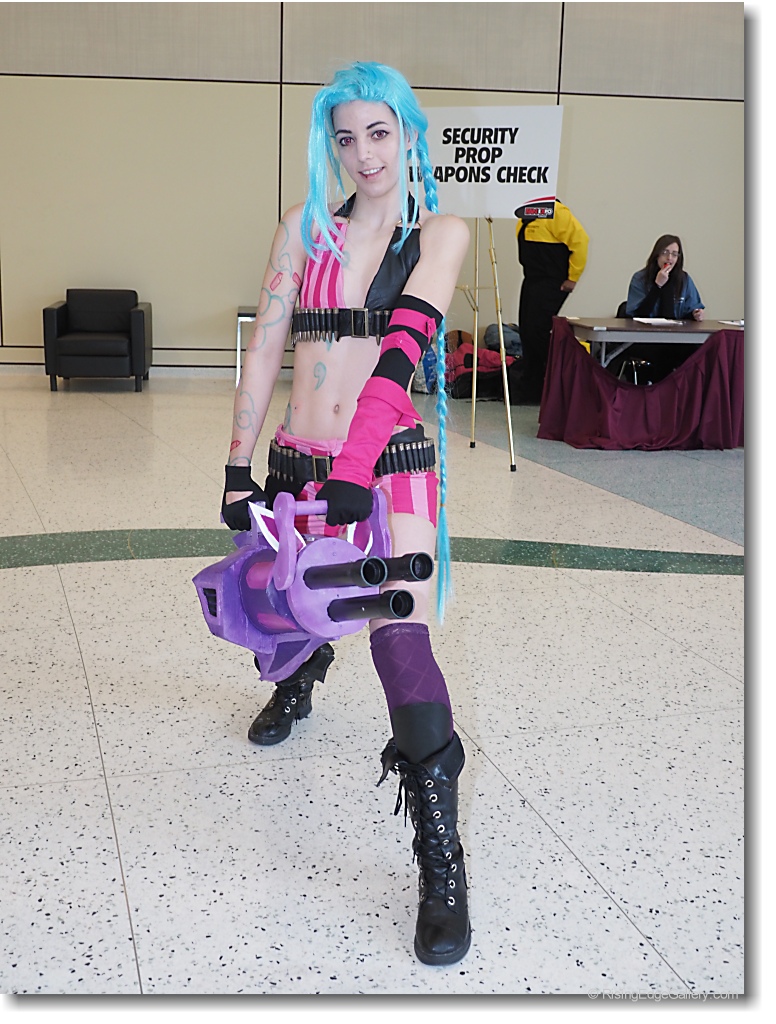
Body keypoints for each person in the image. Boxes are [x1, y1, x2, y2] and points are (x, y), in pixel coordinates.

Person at [220, 62, 471, 966]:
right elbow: (265, 349)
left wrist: (357, 469)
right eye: (345, 137)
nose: (363, 154)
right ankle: (300, 673)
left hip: (388, 465)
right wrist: (237, 464)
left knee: (400, 640)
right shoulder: (303, 229)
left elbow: (403, 351)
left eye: (379, 133)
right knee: (287, 606)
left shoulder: (439, 233)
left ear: (408, 133)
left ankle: (442, 864)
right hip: (300, 459)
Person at [515, 199, 589, 403]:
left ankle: (558, 385)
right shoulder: (525, 213)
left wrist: (573, 278)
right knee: (527, 332)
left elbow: (581, 242)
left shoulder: (557, 212)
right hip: (532, 280)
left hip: (552, 282)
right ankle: (532, 388)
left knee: (538, 332)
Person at [624, 234, 705, 320]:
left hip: (675, 328)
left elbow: (690, 310)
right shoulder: (640, 278)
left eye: (674, 254)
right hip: (646, 328)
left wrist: (695, 314)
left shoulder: (684, 279)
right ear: (657, 255)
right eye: (665, 253)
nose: (669, 258)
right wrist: (657, 285)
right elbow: (638, 314)